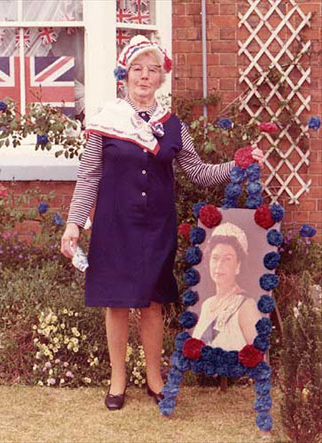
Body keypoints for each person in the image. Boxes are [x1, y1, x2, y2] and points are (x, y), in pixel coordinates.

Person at [61, 35, 264, 410]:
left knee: (153, 303)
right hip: (114, 225)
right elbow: (89, 176)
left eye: (153, 70)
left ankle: (155, 378)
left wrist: (237, 165)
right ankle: (118, 381)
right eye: (138, 69)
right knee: (117, 303)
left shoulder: (173, 126)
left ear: (160, 78)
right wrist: (74, 223)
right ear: (124, 75)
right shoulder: (105, 123)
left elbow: (199, 173)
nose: (145, 76)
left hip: (157, 226)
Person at [192, 222, 262, 351]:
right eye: (215, 258)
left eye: (227, 259)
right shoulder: (207, 305)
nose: (219, 265)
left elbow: (258, 358)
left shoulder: (246, 306)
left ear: (238, 265)